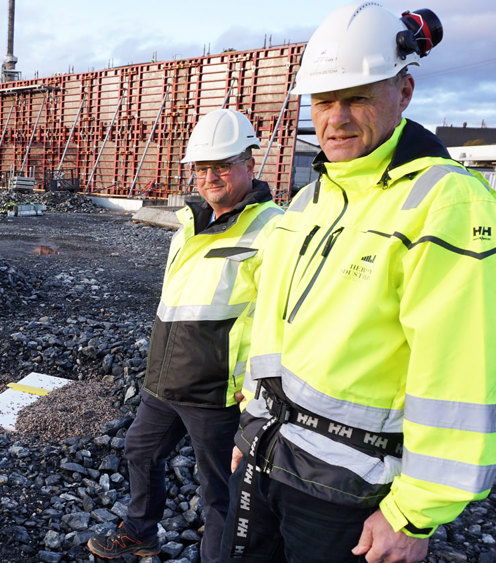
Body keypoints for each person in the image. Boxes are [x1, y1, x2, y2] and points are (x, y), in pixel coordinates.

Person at [222, 3, 496, 562]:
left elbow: (461, 370)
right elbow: (268, 322)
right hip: (271, 452)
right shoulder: (308, 201)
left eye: (358, 98)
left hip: (352, 487)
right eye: (324, 101)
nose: (337, 118)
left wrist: (415, 514)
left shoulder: (445, 202)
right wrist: (252, 422)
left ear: (404, 92)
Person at [88, 108, 283, 561]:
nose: (210, 176)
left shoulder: (275, 229)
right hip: (166, 380)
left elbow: (277, 319)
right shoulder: (188, 226)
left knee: (219, 492)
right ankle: (141, 531)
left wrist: (256, 391)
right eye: (202, 168)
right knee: (140, 450)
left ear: (249, 165)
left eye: (222, 165)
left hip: (220, 391)